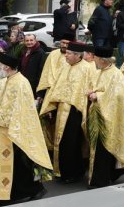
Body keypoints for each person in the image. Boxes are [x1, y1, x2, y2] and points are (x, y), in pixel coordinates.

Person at [0, 49, 52, 207]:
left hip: (15, 130)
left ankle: (16, 194)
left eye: (0, 66)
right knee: (7, 164)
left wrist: (7, 124)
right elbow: (1, 104)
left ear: (7, 67)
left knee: (16, 165)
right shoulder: (9, 80)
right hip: (5, 130)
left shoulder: (20, 83)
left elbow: (21, 108)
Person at [40, 41, 95, 182]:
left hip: (76, 111)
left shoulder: (87, 69)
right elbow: (56, 87)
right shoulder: (65, 67)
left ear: (78, 55)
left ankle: (74, 172)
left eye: (69, 53)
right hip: (61, 109)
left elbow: (91, 89)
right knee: (61, 141)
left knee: (73, 142)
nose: (66, 56)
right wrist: (50, 107)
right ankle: (63, 171)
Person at [85, 46, 124, 188]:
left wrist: (97, 96)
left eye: (95, 58)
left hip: (109, 118)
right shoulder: (99, 72)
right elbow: (94, 86)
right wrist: (90, 92)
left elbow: (118, 96)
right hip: (96, 113)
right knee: (97, 148)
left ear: (102, 60)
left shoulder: (116, 74)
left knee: (103, 148)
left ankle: (101, 179)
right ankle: (103, 176)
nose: (94, 60)